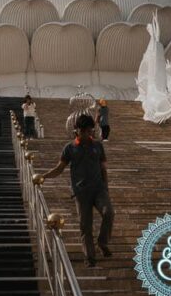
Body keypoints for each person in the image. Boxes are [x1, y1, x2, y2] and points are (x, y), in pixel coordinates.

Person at [38, 113, 114, 267]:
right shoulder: (70, 148)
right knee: (85, 226)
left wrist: (106, 187)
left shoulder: (98, 146)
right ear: (77, 130)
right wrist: (45, 176)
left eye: (90, 130)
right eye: (85, 131)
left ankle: (102, 242)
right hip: (81, 192)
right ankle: (90, 257)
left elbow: (103, 168)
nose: (88, 134)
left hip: (99, 189)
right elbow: (60, 168)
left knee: (109, 213)